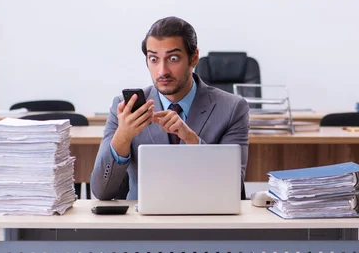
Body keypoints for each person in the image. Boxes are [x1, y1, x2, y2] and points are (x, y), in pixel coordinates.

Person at [91, 16, 249, 200]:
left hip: (205, 220)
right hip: (143, 224)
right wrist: (123, 137)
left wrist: (191, 139)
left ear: (194, 58)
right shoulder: (126, 108)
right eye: (154, 59)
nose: (162, 71)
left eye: (173, 58)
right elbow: (102, 191)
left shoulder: (232, 108)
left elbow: (233, 187)